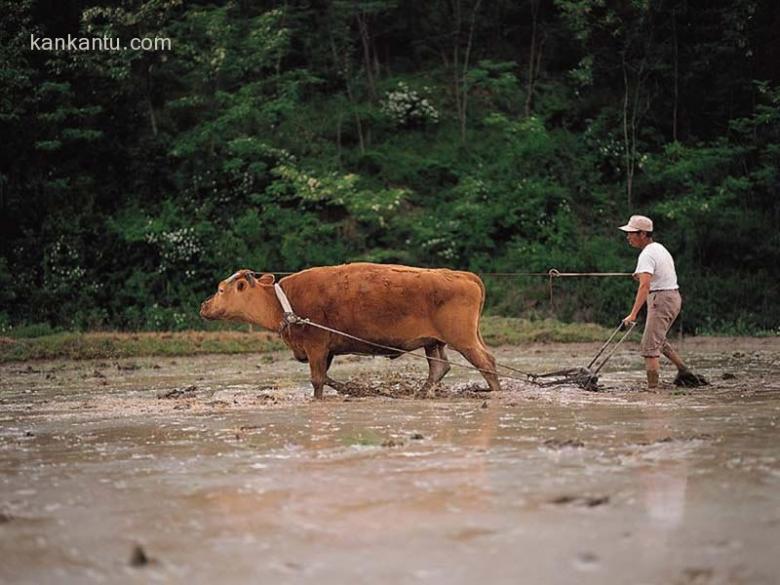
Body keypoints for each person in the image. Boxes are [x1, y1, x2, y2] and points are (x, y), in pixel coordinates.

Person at [619, 215, 707, 390]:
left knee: (649, 346)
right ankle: (684, 371)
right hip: (670, 298)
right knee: (658, 339)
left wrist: (633, 314)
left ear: (642, 234)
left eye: (631, 233)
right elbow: (654, 278)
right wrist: (641, 276)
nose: (628, 237)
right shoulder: (658, 248)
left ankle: (653, 391)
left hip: (661, 299)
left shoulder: (646, 254)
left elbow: (644, 286)